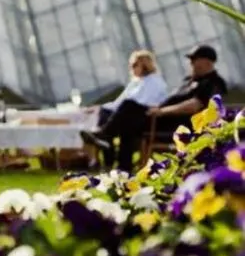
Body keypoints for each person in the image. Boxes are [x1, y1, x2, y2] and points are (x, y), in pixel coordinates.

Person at [82, 44, 227, 173]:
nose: (191, 63)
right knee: (127, 119)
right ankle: (122, 167)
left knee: (129, 107)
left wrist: (162, 111)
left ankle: (106, 138)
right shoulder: (189, 81)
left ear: (208, 62)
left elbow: (195, 105)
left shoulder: (213, 82)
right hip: (158, 119)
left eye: (194, 60)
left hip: (173, 125)